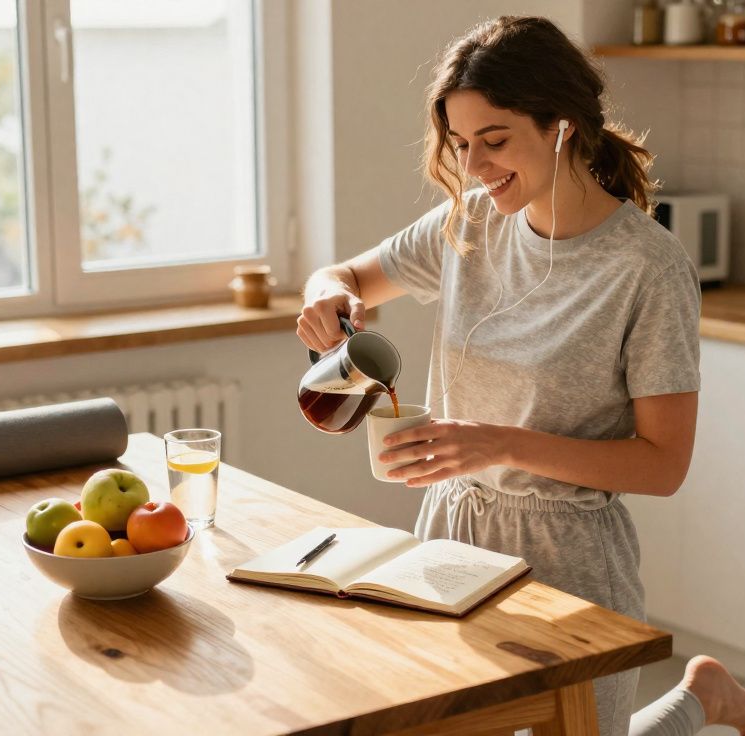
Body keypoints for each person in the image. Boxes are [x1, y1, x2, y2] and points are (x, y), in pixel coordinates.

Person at [297, 15, 701, 735]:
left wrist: (503, 444)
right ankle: (705, 698)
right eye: (460, 145)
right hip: (450, 533)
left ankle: (700, 700)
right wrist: (325, 295)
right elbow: (346, 273)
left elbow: (664, 463)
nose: (475, 167)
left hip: (571, 558)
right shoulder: (468, 225)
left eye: (494, 140)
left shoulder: (648, 269)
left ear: (562, 126)